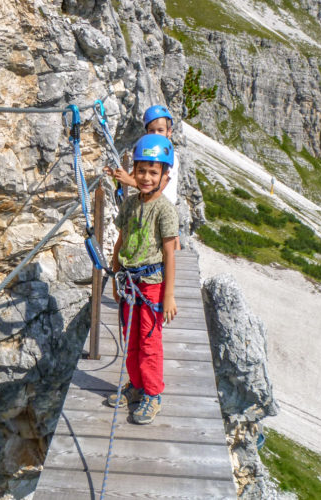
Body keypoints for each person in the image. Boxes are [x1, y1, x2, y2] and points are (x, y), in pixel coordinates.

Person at [106, 134, 179, 425]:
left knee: (150, 341)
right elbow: (121, 240)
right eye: (142, 171)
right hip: (128, 281)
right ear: (133, 170)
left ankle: (152, 393)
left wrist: (169, 295)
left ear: (165, 175)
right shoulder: (130, 203)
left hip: (151, 284)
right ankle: (136, 385)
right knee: (131, 337)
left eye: (153, 172)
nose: (146, 177)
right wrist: (114, 276)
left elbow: (170, 254)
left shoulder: (165, 210)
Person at [105, 104, 181, 249]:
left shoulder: (169, 156)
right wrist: (118, 175)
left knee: (170, 238)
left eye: (160, 130)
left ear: (169, 132)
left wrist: (129, 181)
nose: (156, 134)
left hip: (166, 203)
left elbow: (160, 184)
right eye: (152, 130)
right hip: (151, 202)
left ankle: (175, 264)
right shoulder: (150, 153)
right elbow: (134, 175)